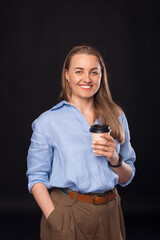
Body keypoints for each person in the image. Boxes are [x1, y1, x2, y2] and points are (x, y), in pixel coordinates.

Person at [26, 44, 136, 240]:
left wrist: (114, 158)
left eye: (94, 72)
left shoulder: (116, 116)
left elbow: (127, 177)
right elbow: (36, 177)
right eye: (79, 71)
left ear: (102, 76)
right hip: (68, 213)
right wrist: (55, 217)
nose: (87, 79)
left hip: (110, 213)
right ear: (67, 75)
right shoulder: (48, 121)